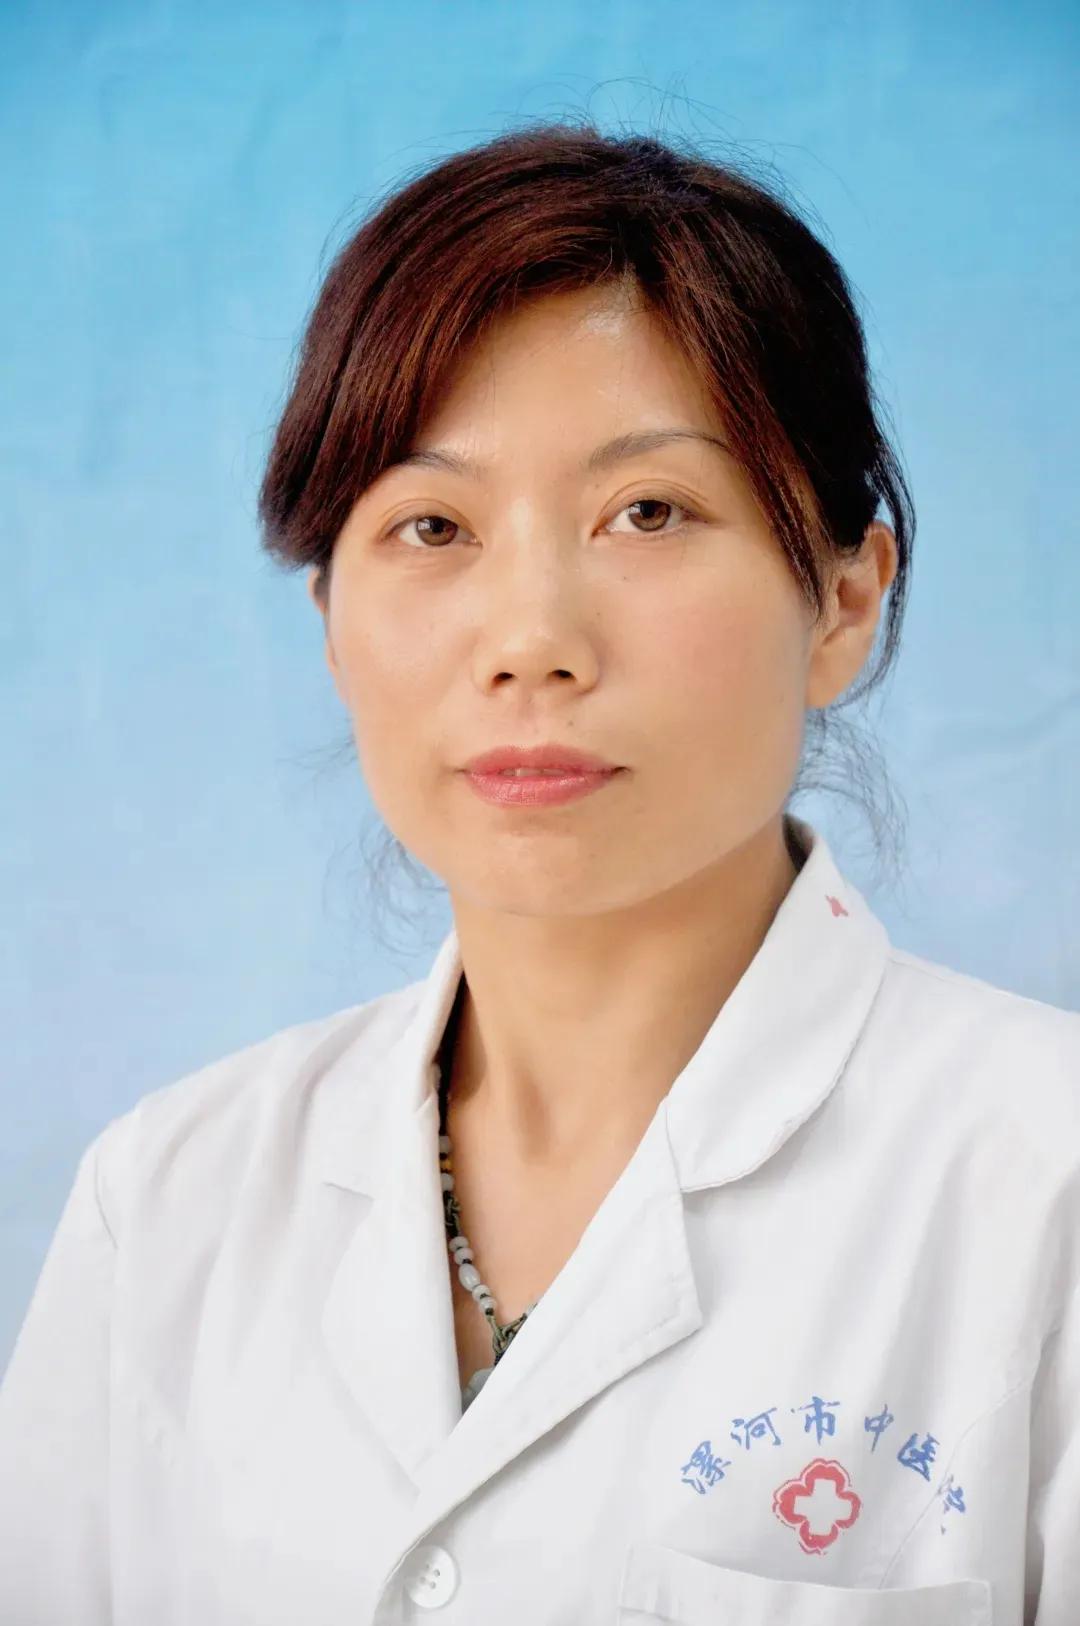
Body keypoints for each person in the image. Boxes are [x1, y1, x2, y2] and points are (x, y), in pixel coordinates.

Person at [1, 121, 1077, 1626]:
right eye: (430, 525)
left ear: (844, 598)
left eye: (649, 512)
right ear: (330, 624)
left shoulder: (1046, 1187)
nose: (531, 640)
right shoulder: (170, 1200)